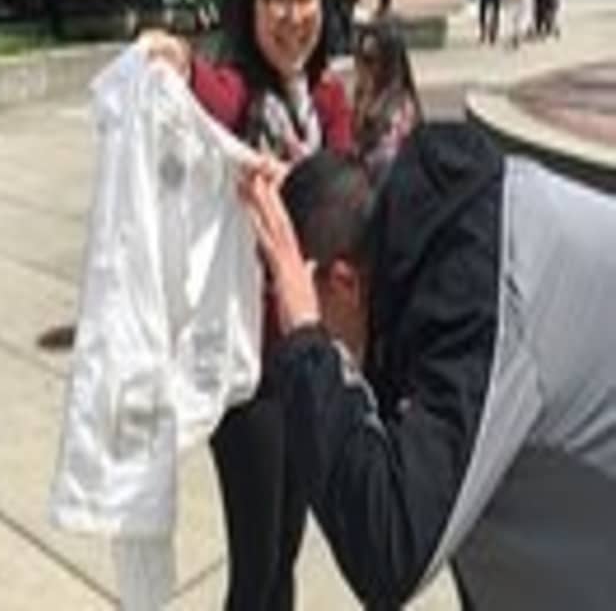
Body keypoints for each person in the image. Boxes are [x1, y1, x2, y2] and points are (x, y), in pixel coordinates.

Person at [239, 119, 616, 609]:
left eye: (306, 298)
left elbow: (389, 549)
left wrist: (306, 343)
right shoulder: (445, 233)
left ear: (344, 282)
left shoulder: (486, 299)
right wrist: (315, 196)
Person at [138, 0, 353, 611]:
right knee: (256, 567)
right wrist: (177, 61)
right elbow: (209, 89)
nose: (293, 15)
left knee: (287, 548)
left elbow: (350, 208)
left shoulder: (329, 104)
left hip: (310, 357)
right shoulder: (239, 98)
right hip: (248, 369)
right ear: (251, 3)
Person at [352, 15, 421, 168]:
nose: (360, 65)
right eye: (359, 55)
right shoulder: (363, 94)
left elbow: (386, 157)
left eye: (370, 59)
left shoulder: (401, 108)